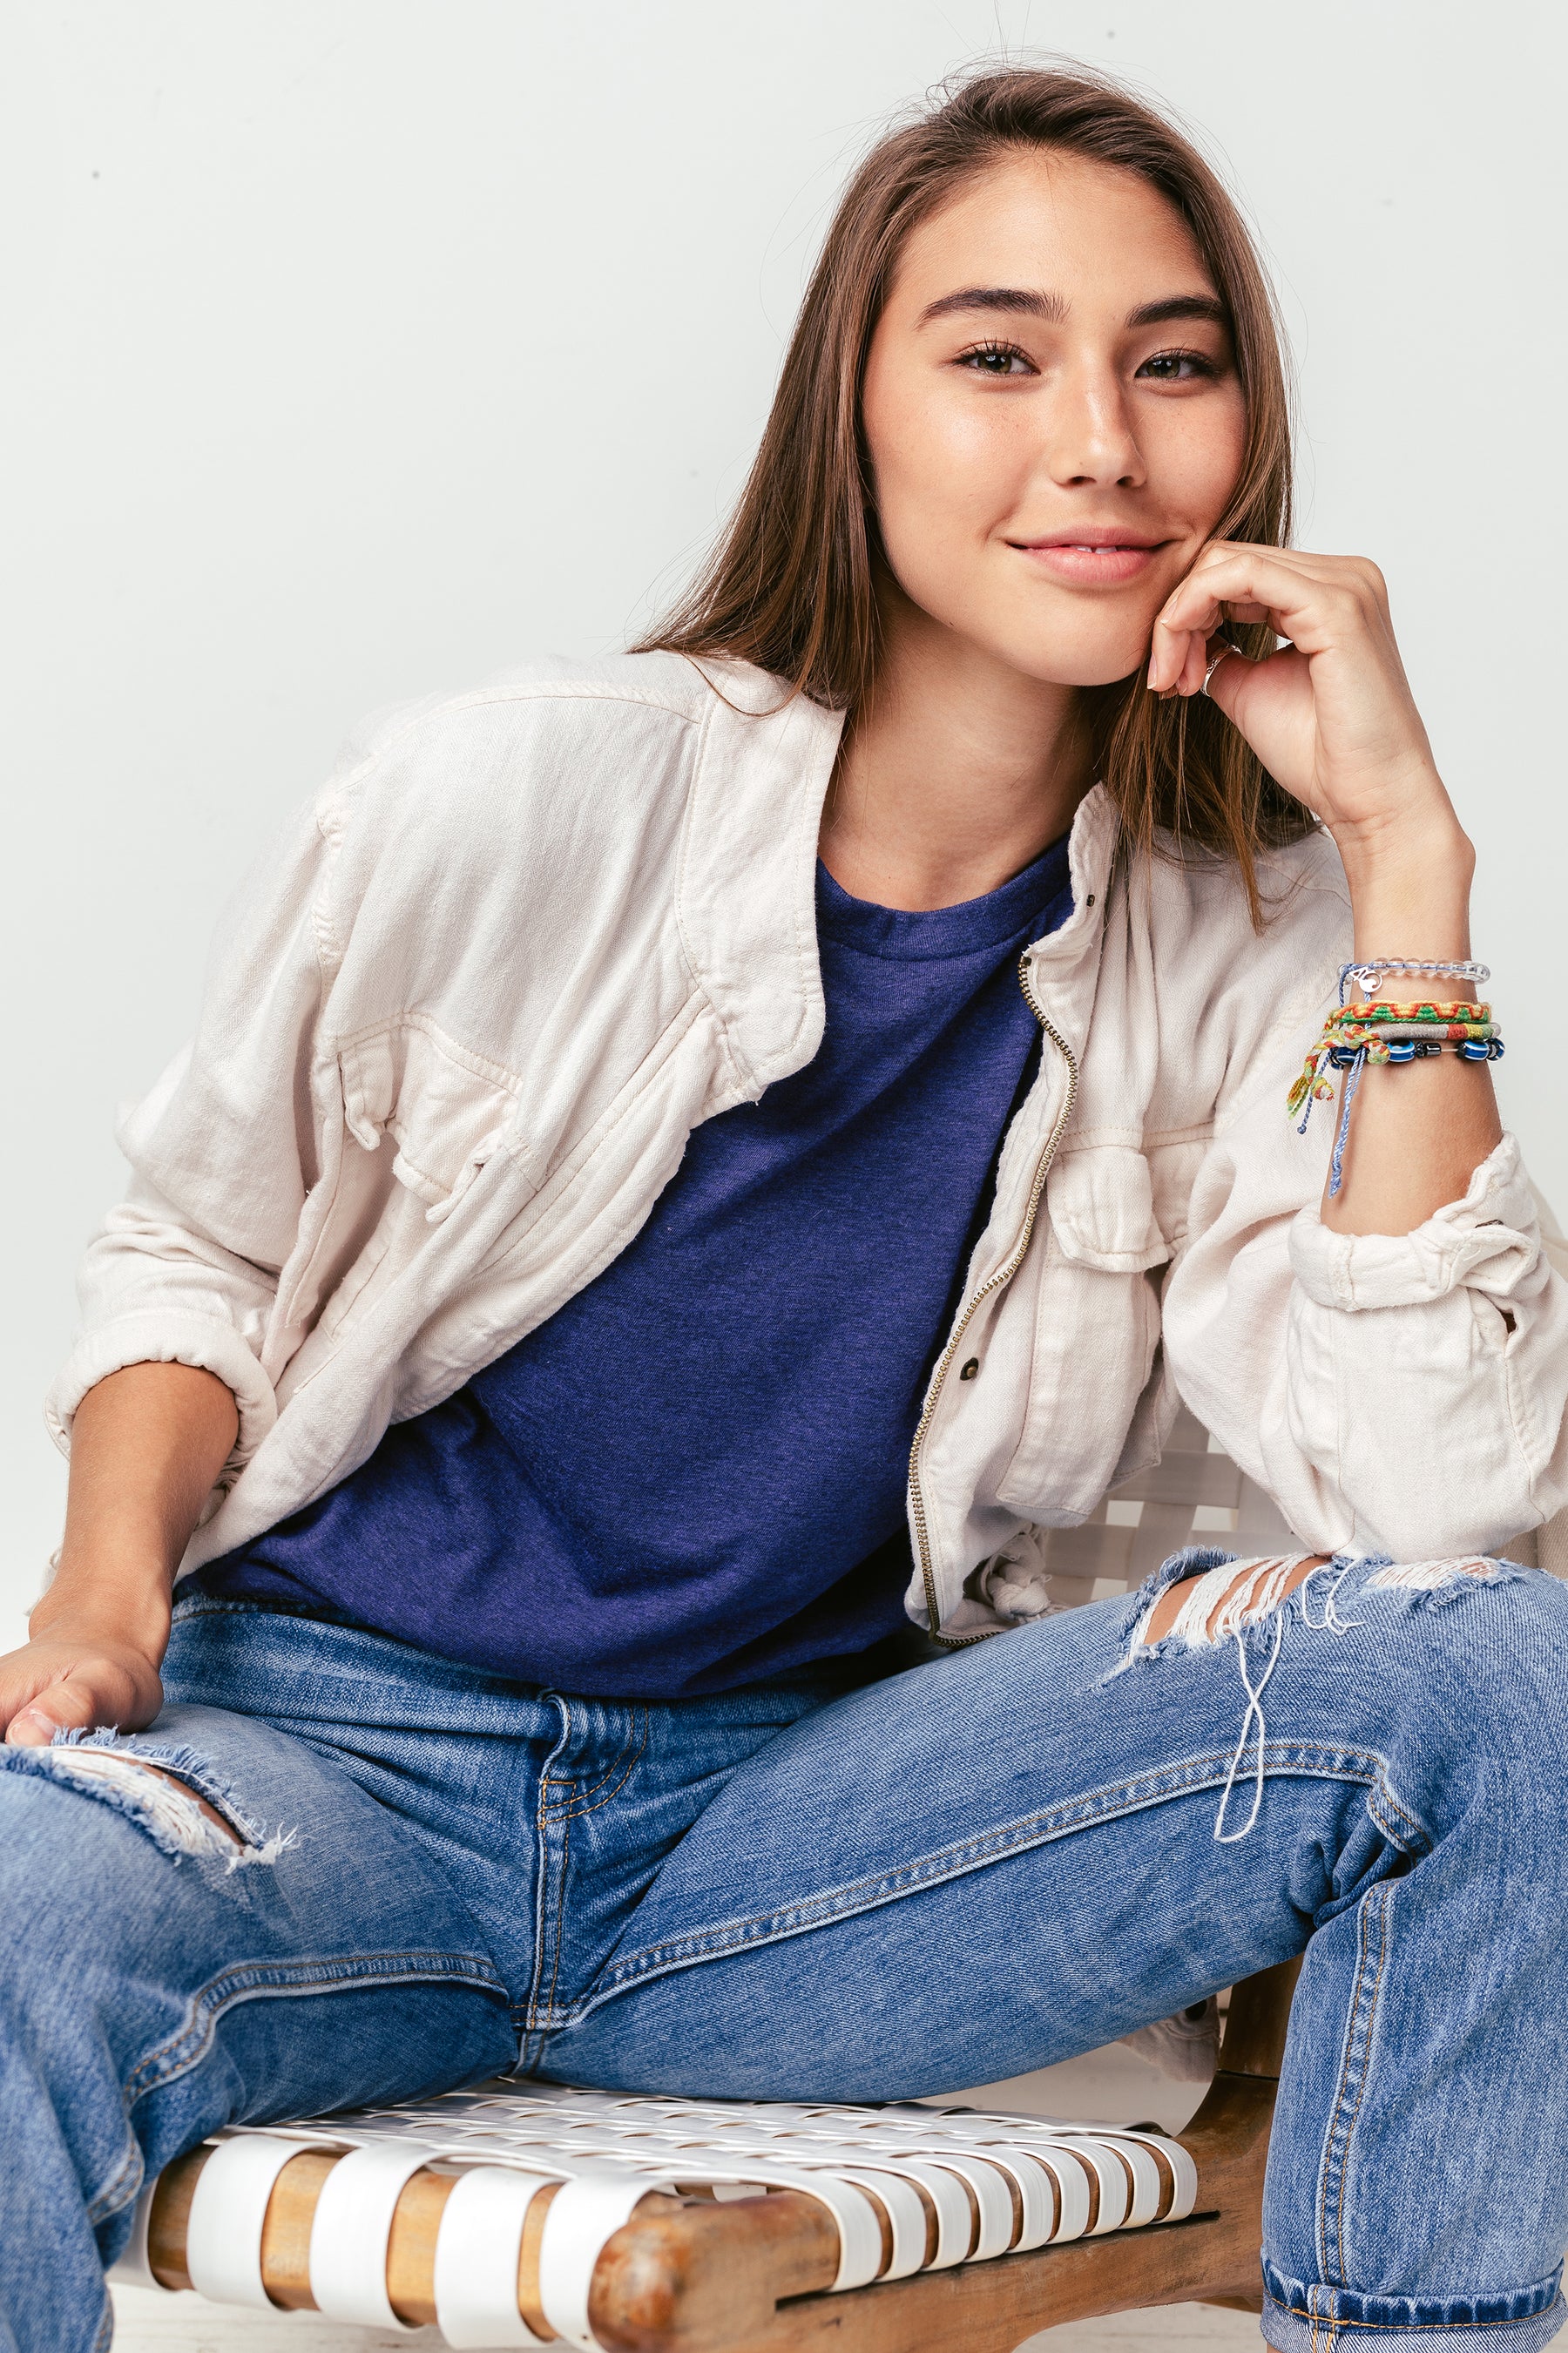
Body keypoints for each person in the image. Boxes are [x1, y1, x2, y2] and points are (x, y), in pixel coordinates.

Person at [4, 61, 1568, 2353]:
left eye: (1173, 363)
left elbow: (1446, 1522)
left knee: (1505, 1681)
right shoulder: (515, 790)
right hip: (328, 1768)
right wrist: (99, 1602)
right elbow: (201, 1252)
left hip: (789, 1848)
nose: (1101, 444)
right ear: (854, 409)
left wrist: (1405, 864)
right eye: (999, 355)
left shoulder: (1260, 940)